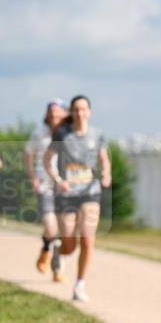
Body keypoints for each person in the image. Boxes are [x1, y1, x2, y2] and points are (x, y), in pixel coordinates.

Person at [43, 95, 111, 302]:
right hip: (66, 194)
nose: (80, 113)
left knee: (88, 239)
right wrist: (58, 179)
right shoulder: (63, 134)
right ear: (72, 113)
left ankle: (80, 284)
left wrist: (107, 174)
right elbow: (47, 160)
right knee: (70, 245)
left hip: (90, 192)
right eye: (76, 110)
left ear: (89, 112)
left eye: (84, 109)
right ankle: (58, 250)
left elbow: (104, 160)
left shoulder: (97, 134)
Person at [25, 99, 69, 278]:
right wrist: (32, 177)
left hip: (65, 186)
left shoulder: (68, 133)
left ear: (64, 114)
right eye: (51, 112)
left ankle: (57, 269)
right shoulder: (39, 133)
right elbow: (29, 154)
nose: (54, 115)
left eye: (57, 112)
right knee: (51, 229)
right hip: (45, 183)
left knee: (63, 230)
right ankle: (45, 250)